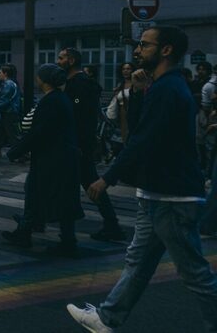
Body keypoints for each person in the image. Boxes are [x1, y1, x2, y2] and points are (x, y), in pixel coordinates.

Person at [68, 26, 217, 333]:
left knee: (195, 273)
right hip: (156, 192)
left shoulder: (169, 89)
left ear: (165, 50)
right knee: (138, 262)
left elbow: (142, 140)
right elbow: (139, 130)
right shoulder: (161, 86)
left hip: (172, 197)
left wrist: (107, 178)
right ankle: (107, 319)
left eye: (145, 45)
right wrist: (138, 92)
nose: (137, 50)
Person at [2, 64, 84, 257]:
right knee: (40, 194)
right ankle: (27, 231)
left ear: (44, 80)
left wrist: (16, 151)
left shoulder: (52, 101)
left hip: (53, 158)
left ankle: (66, 241)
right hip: (59, 157)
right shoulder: (59, 99)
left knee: (41, 194)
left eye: (39, 76)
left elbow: (40, 132)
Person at [58, 47, 125, 243]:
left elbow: (78, 116)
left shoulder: (78, 85)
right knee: (89, 183)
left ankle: (66, 236)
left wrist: (76, 143)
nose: (58, 61)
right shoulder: (81, 83)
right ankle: (111, 224)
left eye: (61, 58)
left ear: (71, 61)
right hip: (82, 143)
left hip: (77, 144)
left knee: (73, 186)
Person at [106, 62, 136, 144]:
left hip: (133, 113)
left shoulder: (136, 84)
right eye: (123, 69)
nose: (125, 71)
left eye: (128, 69)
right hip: (122, 115)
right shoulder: (120, 84)